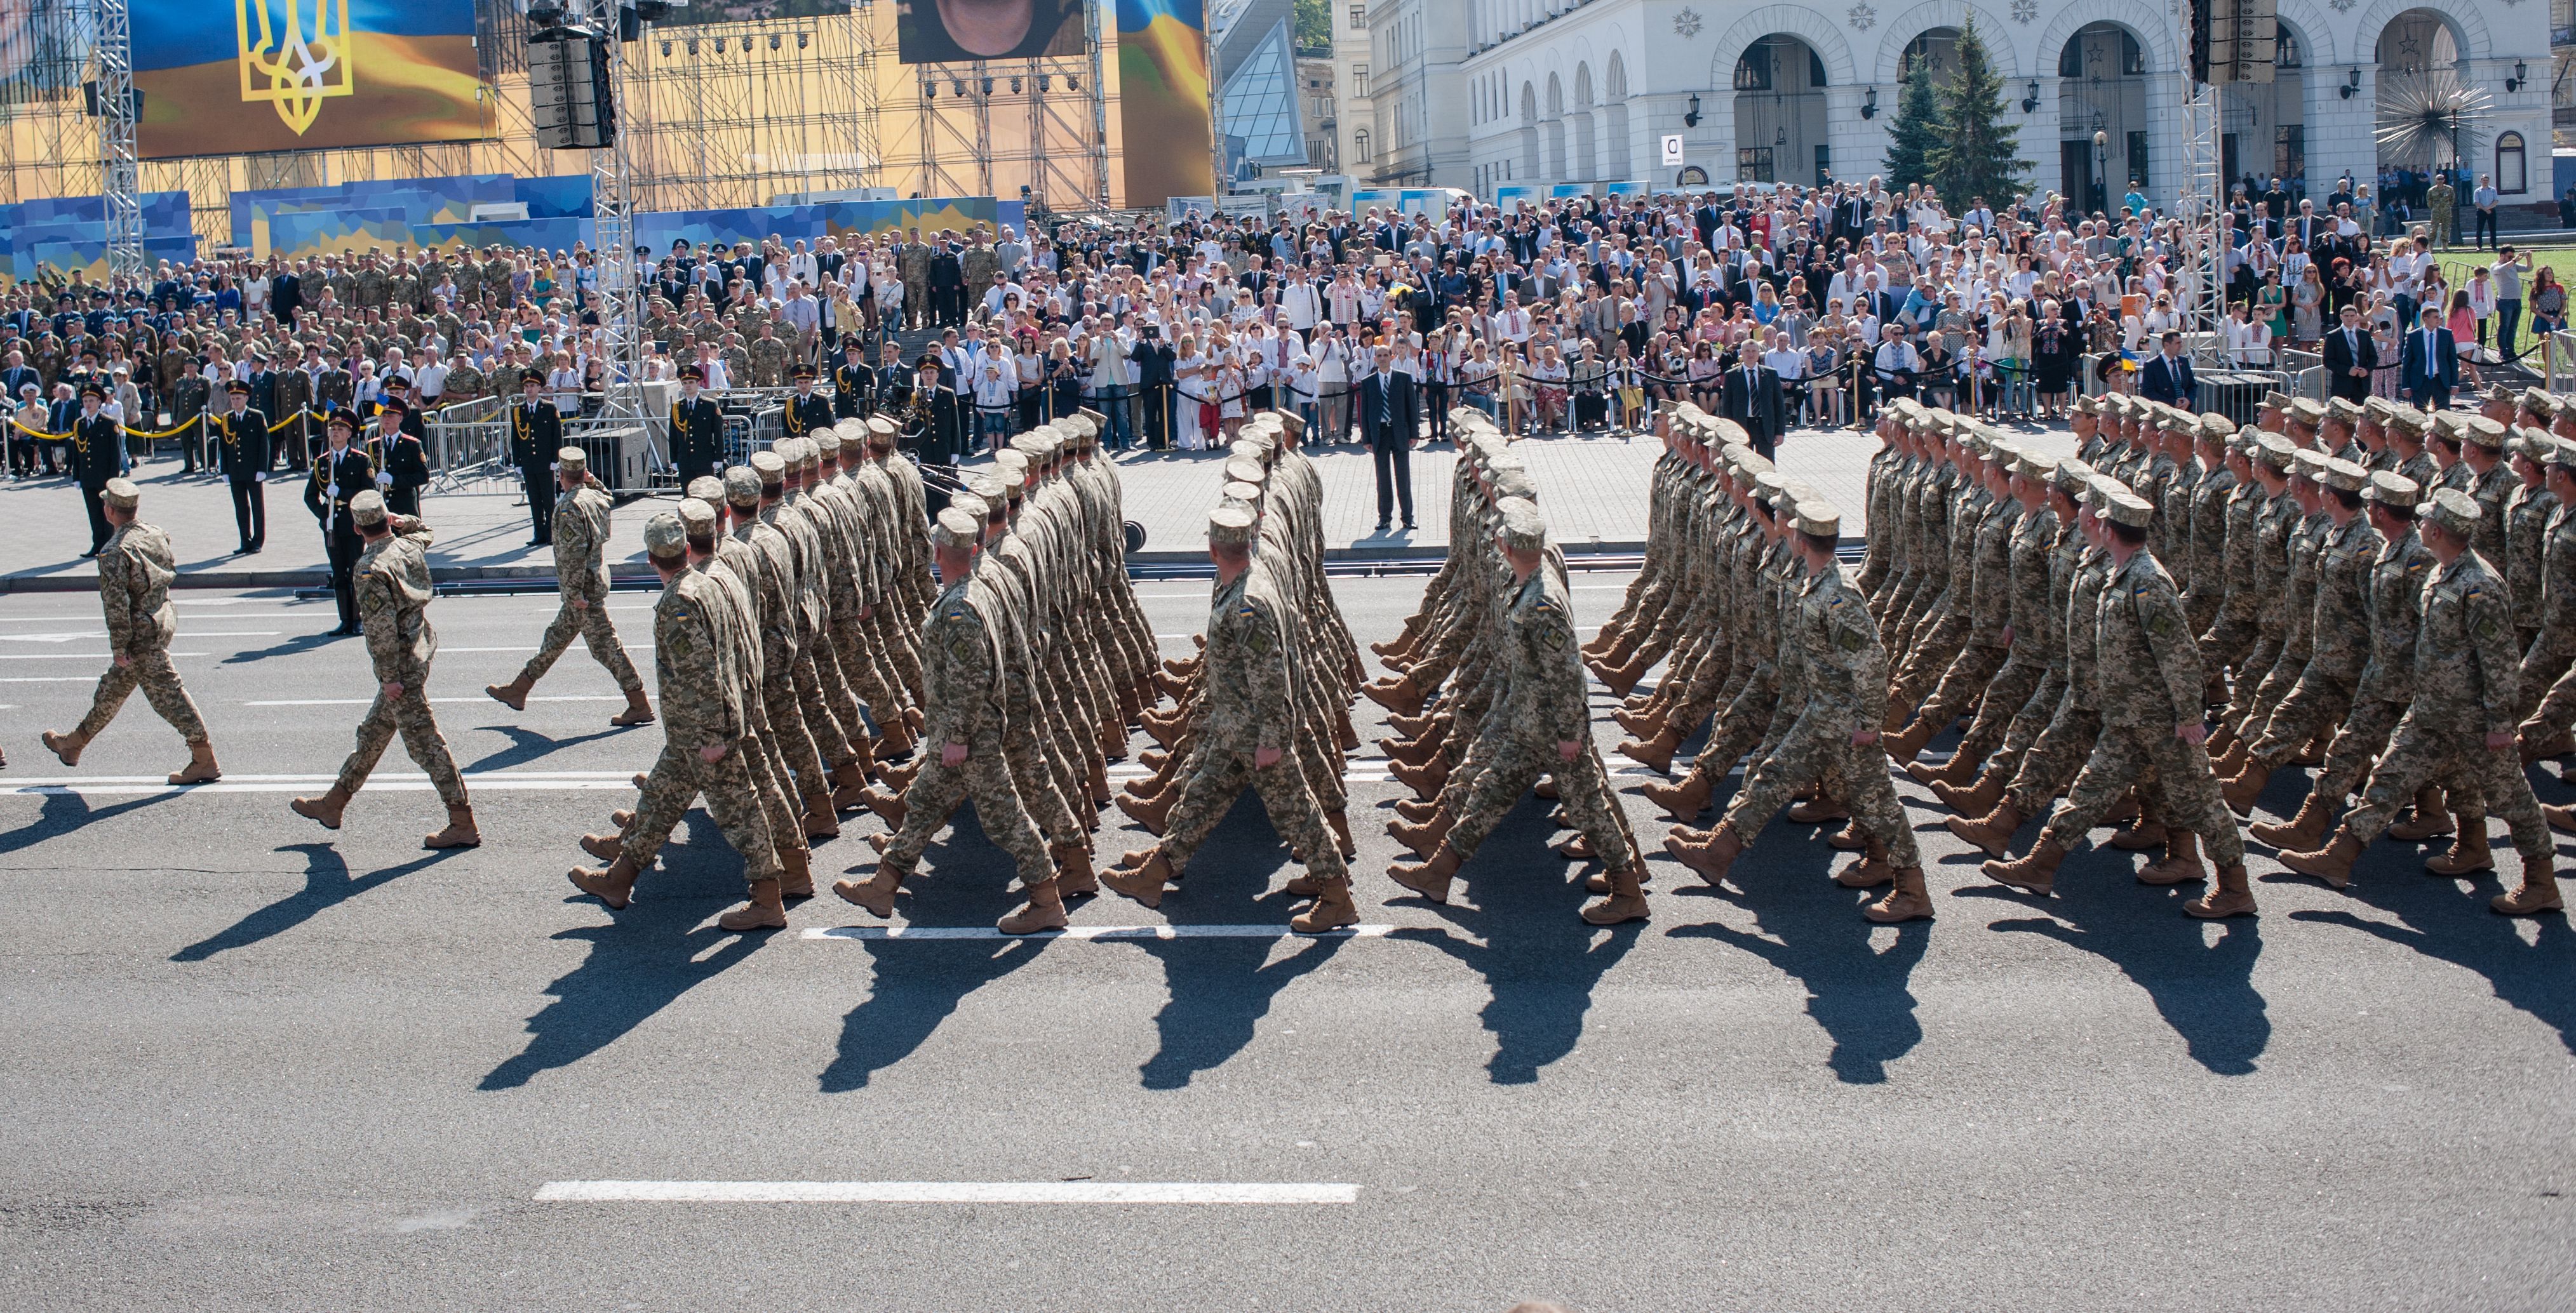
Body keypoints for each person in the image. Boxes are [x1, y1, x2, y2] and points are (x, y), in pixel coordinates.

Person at [2281, 489, 2563, 913]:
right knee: (2388, 779)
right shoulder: (2443, 573)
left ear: (2436, 530)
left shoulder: (2480, 584)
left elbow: (2501, 661)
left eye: (2427, 520)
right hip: (2431, 710)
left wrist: (2501, 724)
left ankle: (2541, 882)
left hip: (2470, 717)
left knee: (2511, 799)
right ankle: (2339, 857)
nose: (2421, 524)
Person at [1101, 503, 1358, 931]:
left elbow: (1270, 675)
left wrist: (1272, 740)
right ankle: (1156, 873)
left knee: (1295, 810)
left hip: (1256, 730)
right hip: (1234, 726)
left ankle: (1336, 894)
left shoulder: (1247, 604)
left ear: (1212, 548)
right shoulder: (1245, 582)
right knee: (1200, 797)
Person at [836, 504, 1066, 935]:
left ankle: (1047, 901)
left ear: (937, 552)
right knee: (923, 806)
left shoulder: (960, 609)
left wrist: (958, 736)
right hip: (956, 734)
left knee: (1007, 820)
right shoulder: (973, 593)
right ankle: (883, 887)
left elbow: (970, 678)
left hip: (970, 738)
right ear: (975, 548)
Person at [568, 507, 790, 932]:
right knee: (658, 801)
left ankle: (768, 899)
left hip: (705, 732)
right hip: (695, 730)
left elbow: (701, 672)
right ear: (687, 550)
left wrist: (711, 736)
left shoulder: (680, 603)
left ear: (651, 560)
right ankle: (619, 880)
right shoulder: (704, 584)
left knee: (741, 813)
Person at [288, 491, 480, 850]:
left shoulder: (369, 569)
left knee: (426, 744)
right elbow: (425, 530)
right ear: (384, 519)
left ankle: (462, 821)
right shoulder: (407, 548)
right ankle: (334, 803)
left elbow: (380, 631)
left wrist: (389, 678)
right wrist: (400, 520)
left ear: (357, 527)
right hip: (420, 649)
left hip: (402, 668)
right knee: (373, 733)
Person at [37, 477, 221, 785]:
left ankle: (204, 758)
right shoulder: (155, 534)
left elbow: (116, 604)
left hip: (140, 637)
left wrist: (119, 647)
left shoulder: (115, 552)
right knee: (113, 688)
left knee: (168, 695)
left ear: (110, 511)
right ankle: (73, 744)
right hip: (162, 621)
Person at [485, 446, 657, 726]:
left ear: (561, 475)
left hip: (583, 591)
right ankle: (519, 689)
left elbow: (572, 554)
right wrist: (591, 480)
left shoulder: (568, 507)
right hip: (594, 581)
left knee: (606, 649)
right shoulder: (594, 497)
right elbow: (608, 496)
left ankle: (639, 703)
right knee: (555, 638)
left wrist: (574, 594)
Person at [304, 411, 375, 636]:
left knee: (356, 572)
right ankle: (344, 619)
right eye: (333, 429)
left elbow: (369, 492)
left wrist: (343, 493)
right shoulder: (322, 462)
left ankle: (357, 619)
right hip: (332, 527)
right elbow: (310, 496)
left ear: (349, 433)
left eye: (341, 429)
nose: (336, 433)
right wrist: (324, 514)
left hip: (353, 525)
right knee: (338, 574)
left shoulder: (360, 460)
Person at [1358, 343, 1417, 531]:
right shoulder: (1368, 382)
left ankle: (1408, 517)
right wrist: (1366, 438)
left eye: (1386, 355)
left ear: (1392, 357)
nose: (1383, 358)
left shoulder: (1404, 379)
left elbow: (1412, 408)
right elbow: (1364, 412)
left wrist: (1414, 434)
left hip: (1399, 432)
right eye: (1379, 355)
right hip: (1380, 434)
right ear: (1375, 359)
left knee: (1403, 477)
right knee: (1382, 479)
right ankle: (1385, 518)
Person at [211, 378, 272, 554]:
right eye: (233, 399)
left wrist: (262, 468)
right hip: (235, 470)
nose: (235, 402)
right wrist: (224, 470)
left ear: (246, 399)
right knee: (241, 507)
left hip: (253, 470)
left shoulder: (257, 416)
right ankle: (245, 540)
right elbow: (223, 446)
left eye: (239, 398)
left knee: (257, 506)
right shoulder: (227, 419)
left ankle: (258, 541)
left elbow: (264, 444)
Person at [507, 373, 563, 546]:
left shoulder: (549, 408)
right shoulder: (518, 410)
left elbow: (557, 436)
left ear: (539, 388)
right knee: (534, 500)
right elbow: (515, 438)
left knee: (548, 500)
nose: (529, 389)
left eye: (532, 386)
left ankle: (551, 534)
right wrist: (517, 462)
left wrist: (556, 458)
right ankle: (538, 533)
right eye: (526, 386)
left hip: (546, 461)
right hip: (529, 463)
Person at [69, 382, 121, 557]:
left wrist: (114, 479)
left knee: (108, 514)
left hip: (104, 477)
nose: (88, 404)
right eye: (85, 401)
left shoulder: (108, 423)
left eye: (92, 400)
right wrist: (76, 476)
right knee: (93, 513)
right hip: (87, 476)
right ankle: (97, 545)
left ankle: (109, 545)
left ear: (99, 403)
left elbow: (115, 454)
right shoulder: (80, 424)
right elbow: (77, 453)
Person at [1720, 343, 1787, 460]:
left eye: (1754, 351)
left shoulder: (1771, 374)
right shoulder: (1732, 375)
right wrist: (1728, 433)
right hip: (1742, 426)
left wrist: (1780, 432)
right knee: (1743, 465)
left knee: (1767, 466)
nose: (1751, 354)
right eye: (1747, 351)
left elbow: (1779, 405)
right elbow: (1727, 407)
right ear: (1742, 353)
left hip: (1765, 426)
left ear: (1758, 353)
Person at [668, 363, 725, 481]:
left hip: (704, 460)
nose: (688, 386)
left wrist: (719, 458)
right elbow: (673, 436)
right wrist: (673, 459)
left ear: (698, 384)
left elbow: (718, 434)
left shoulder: (710, 405)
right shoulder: (677, 407)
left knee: (706, 497)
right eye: (685, 383)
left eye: (691, 383)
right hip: (685, 462)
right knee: (687, 497)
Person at [375, 395, 429, 517]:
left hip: (405, 505)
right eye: (384, 416)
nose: (386, 419)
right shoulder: (374, 445)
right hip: (382, 507)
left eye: (390, 416)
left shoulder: (412, 444)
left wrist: (394, 480)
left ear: (400, 418)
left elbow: (423, 476)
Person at [2401, 304, 2458, 412]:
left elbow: (2453, 360)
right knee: (2419, 415)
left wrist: (2454, 383)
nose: (2439, 319)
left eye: (2439, 317)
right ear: (2426, 319)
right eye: (2435, 317)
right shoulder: (2414, 336)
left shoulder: (2446, 334)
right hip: (2421, 381)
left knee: (2444, 415)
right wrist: (2406, 386)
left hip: (2441, 380)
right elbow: (2407, 362)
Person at [2323, 303, 2378, 404]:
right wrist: (2347, 370)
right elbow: (2328, 361)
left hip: (2361, 383)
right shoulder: (2333, 336)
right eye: (2346, 316)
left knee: (2360, 416)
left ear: (2356, 317)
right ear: (2341, 317)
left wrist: (2366, 370)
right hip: (2341, 383)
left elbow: (2373, 358)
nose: (2349, 318)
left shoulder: (2364, 334)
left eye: (2352, 316)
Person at [2139, 330, 2196, 408]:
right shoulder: (2152, 365)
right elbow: (2148, 393)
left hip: (2185, 411)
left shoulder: (2184, 361)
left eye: (2181, 342)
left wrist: (2188, 400)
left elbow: (2192, 385)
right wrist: (2172, 403)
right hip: (2164, 412)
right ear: (2166, 345)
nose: (2181, 346)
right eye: (2177, 343)